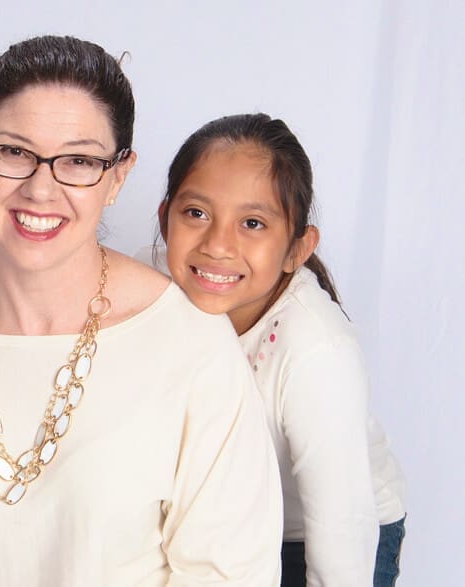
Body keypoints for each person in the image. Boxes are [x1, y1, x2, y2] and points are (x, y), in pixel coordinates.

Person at [0, 35, 283, 585]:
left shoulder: (193, 347)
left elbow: (227, 572)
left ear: (119, 176)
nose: (41, 188)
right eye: (14, 153)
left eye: (78, 160)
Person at [152, 113, 406, 586]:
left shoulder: (315, 353)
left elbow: (342, 537)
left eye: (252, 223)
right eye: (196, 213)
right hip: (232, 526)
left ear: (297, 248)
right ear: (166, 219)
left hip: (316, 535)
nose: (217, 245)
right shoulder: (159, 304)